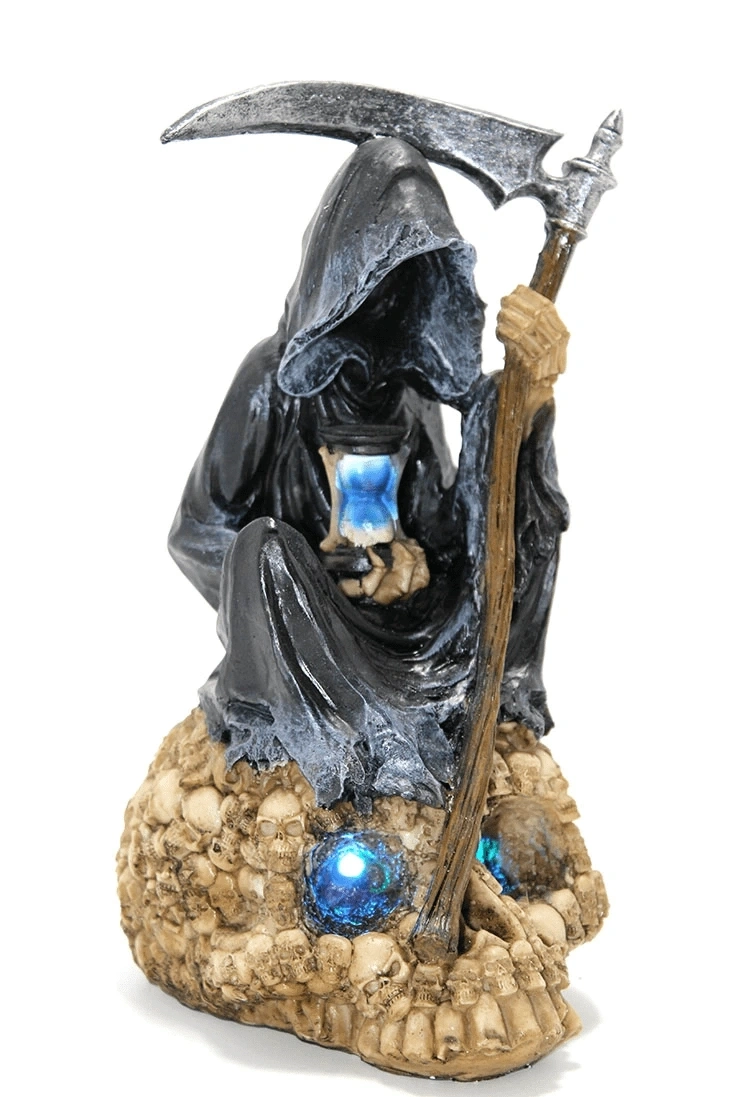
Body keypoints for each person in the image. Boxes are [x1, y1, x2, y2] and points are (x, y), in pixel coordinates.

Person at [168, 137, 569, 812]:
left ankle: (431, 730)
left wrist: (522, 404)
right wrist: (298, 587)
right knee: (261, 547)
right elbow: (198, 532)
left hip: (411, 637)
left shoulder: (407, 391)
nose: (383, 303)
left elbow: (456, 530)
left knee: (514, 468)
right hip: (308, 640)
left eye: (405, 280)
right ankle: (342, 742)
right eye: (373, 280)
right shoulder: (272, 381)